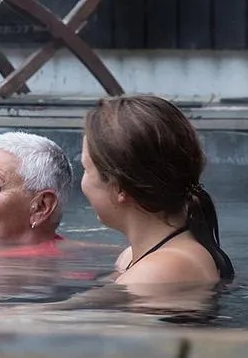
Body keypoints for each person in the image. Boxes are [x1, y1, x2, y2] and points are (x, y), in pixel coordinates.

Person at [79, 93, 234, 287]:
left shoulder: (164, 268)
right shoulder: (132, 258)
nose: (82, 181)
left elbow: (77, 315)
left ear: (120, 187)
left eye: (85, 169)